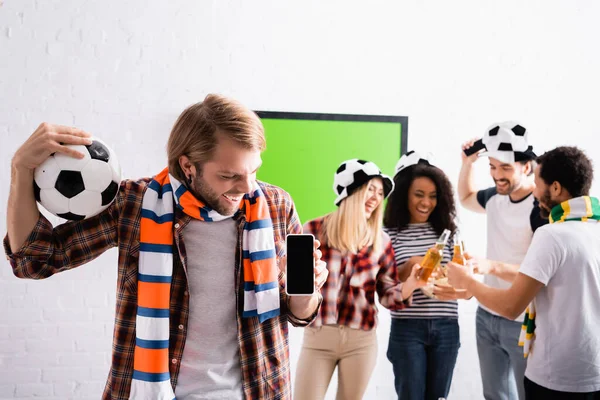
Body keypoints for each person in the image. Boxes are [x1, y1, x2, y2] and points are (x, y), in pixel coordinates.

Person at [4, 94, 328, 400]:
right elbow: (35, 259)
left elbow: (299, 315)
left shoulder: (275, 205)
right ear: (188, 166)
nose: (247, 187)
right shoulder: (135, 203)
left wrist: (305, 291)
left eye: (253, 170)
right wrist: (20, 169)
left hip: (259, 390)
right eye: (229, 175)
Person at [448, 146, 600, 400]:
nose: (535, 193)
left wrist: (467, 281)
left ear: (555, 188)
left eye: (538, 184)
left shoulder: (551, 234)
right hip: (592, 372)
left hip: (556, 377)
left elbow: (510, 306)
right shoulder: (594, 227)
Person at [293, 159, 425, 400]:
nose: (376, 198)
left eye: (380, 192)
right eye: (370, 190)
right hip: (318, 337)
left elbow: (388, 296)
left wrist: (411, 285)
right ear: (349, 192)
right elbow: (294, 289)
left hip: (360, 341)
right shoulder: (311, 229)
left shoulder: (381, 241)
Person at [458, 122, 547, 400]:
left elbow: (542, 274)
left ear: (527, 167)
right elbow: (466, 198)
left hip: (524, 320)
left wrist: (491, 266)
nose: (498, 176)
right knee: (494, 395)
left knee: (526, 394)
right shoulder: (496, 198)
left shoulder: (541, 210)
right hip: (486, 316)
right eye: (493, 167)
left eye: (505, 168)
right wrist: (468, 164)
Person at [384, 150, 467, 400]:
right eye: (418, 195)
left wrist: (458, 281)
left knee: (439, 397)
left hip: (446, 326)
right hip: (407, 327)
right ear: (403, 195)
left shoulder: (448, 234)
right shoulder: (390, 233)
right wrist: (410, 265)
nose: (426, 203)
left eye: (432, 196)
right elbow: (385, 282)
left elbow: (462, 282)